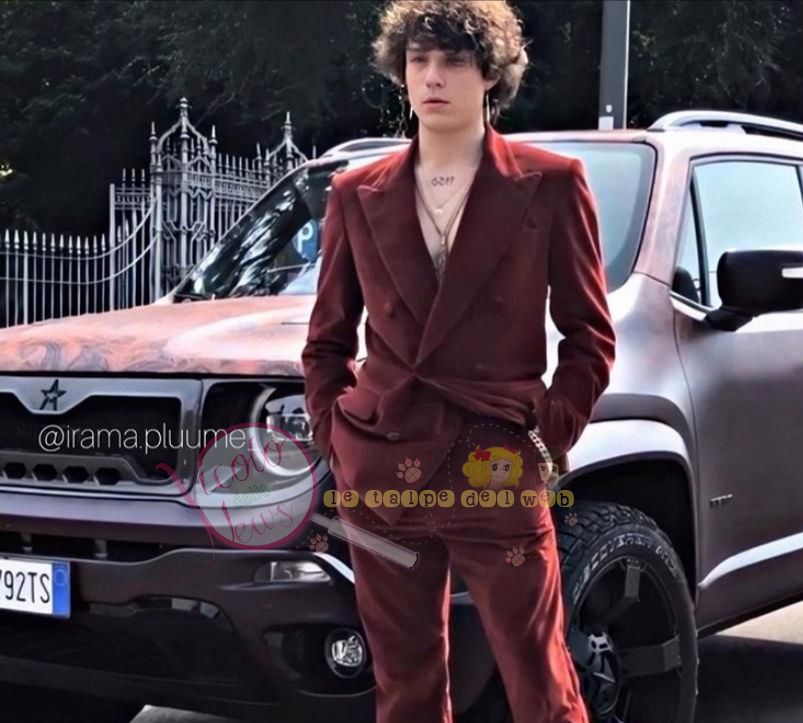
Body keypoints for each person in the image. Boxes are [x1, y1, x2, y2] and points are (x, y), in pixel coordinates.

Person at [301, 1, 616, 721]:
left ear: (491, 74)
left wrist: (548, 434)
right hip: (382, 462)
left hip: (494, 459)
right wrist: (336, 437)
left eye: (453, 61)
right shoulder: (356, 191)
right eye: (419, 61)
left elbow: (589, 335)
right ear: (401, 72)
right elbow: (326, 340)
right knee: (404, 685)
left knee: (540, 679)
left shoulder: (550, 182)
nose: (433, 77)